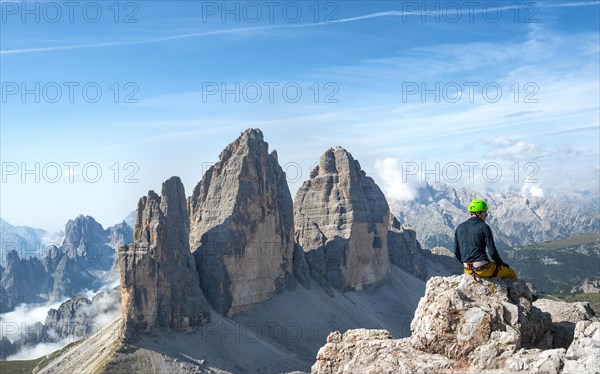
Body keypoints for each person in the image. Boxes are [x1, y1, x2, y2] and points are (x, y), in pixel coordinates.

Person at [454, 199, 518, 280]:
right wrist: (500, 264)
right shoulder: (484, 227)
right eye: (485, 212)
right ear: (478, 213)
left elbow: (456, 252)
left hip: (467, 269)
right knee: (511, 273)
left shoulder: (459, 227)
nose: (487, 214)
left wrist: (466, 262)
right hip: (482, 268)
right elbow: (492, 251)